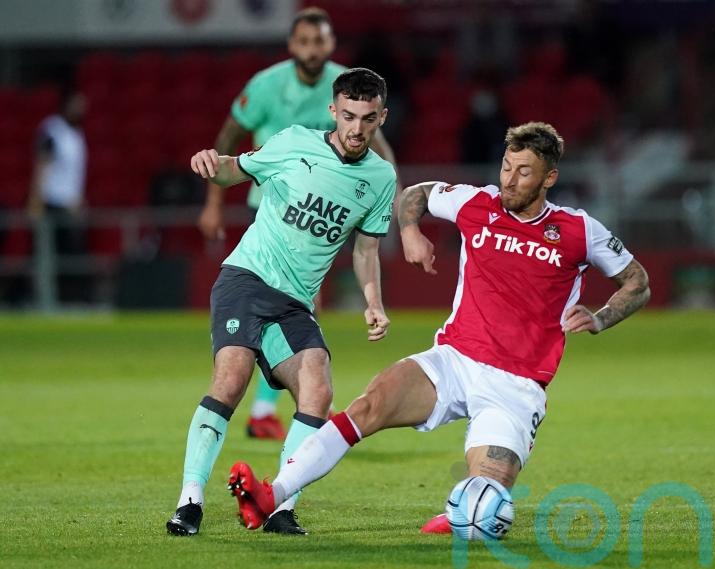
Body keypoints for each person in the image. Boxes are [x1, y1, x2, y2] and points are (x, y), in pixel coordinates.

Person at [226, 121, 651, 535]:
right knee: (367, 407)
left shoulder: (579, 230)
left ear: (549, 178)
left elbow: (637, 282)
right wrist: (410, 230)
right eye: (506, 166)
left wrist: (601, 317)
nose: (510, 180)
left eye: (524, 172)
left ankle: (464, 513)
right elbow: (416, 193)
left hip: (516, 387)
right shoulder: (476, 203)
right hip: (453, 360)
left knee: (487, 496)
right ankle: (271, 496)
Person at [166, 68, 397, 537]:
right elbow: (238, 169)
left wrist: (373, 302)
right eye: (348, 116)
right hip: (246, 278)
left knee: (319, 390)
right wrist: (214, 162)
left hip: (294, 303)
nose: (356, 129)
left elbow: (366, 249)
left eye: (367, 119)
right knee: (231, 379)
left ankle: (280, 506)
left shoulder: (380, 178)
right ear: (333, 111)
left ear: (381, 118)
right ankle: (189, 501)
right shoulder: (295, 142)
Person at [197, 6, 399, 442]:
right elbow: (229, 140)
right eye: (304, 42)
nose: (312, 50)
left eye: (319, 41)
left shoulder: (350, 85)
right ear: (292, 46)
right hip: (271, 202)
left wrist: (389, 196)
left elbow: (379, 150)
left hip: (327, 206)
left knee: (304, 303)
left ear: (330, 44)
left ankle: (271, 405)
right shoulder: (267, 86)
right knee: (290, 301)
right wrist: (214, 199)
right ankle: (272, 399)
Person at [27, 90, 89, 302]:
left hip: (70, 204)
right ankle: (43, 300)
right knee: (48, 256)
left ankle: (69, 300)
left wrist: (79, 198)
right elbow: (42, 164)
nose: (82, 108)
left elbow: (74, 172)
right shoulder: (52, 129)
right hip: (51, 202)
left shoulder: (76, 133)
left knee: (71, 257)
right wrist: (35, 200)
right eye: (78, 103)